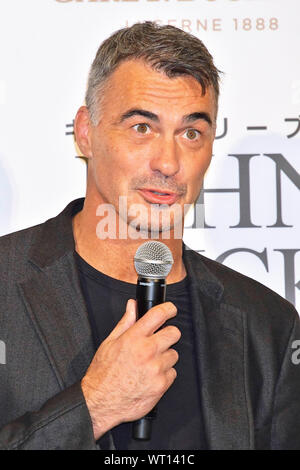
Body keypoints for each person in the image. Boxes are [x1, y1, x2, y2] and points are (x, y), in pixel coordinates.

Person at [0, 21, 299, 451]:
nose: (168, 162)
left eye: (191, 133)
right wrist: (95, 407)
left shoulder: (268, 326)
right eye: (142, 127)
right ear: (86, 132)